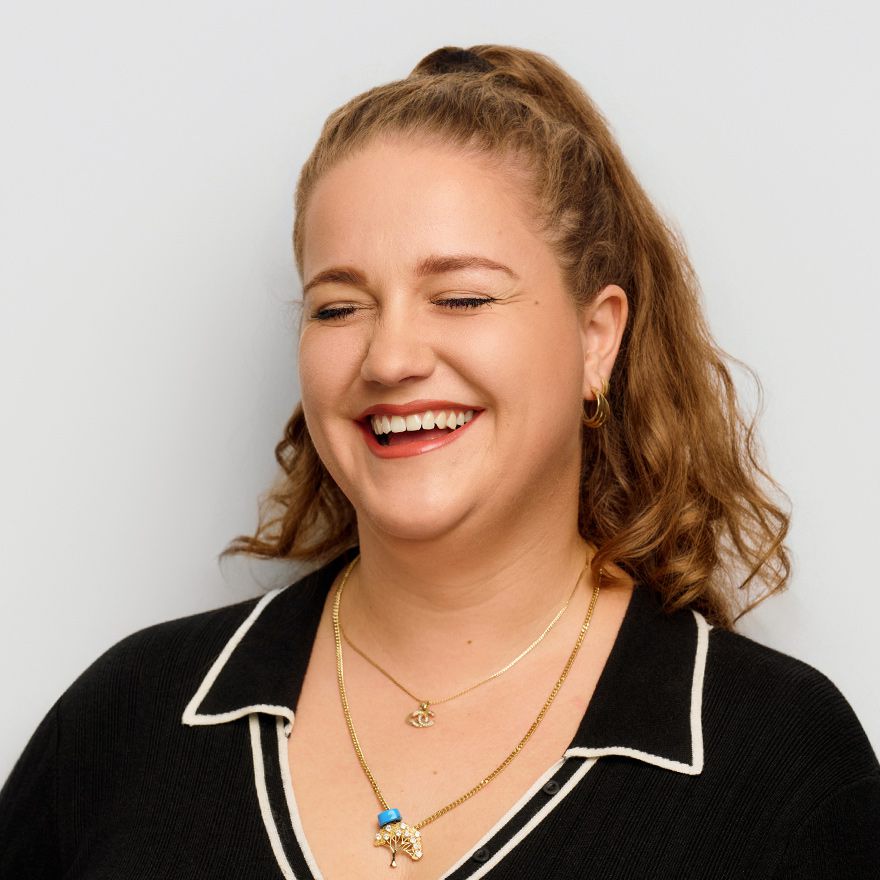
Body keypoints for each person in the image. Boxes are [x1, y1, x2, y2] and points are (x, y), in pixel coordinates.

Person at [1, 43, 878, 879]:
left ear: (596, 338)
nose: (389, 359)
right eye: (338, 308)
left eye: (460, 297)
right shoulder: (132, 717)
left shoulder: (779, 761)